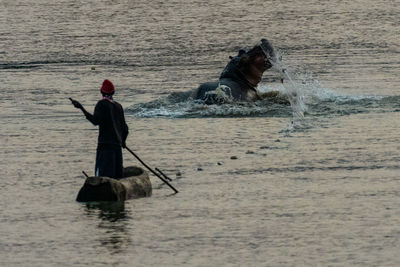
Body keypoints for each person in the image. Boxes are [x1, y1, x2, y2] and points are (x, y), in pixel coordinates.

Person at [70, 79, 129, 179]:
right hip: (117, 148)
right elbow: (125, 129)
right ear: (113, 93)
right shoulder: (118, 106)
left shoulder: (101, 104)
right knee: (117, 178)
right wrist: (123, 142)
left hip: (105, 148)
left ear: (101, 92)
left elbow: (95, 121)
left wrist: (81, 108)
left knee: (104, 178)